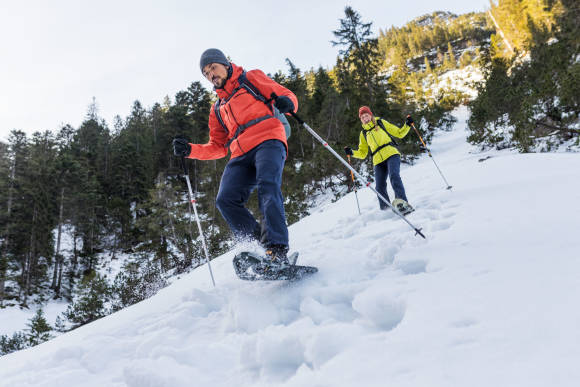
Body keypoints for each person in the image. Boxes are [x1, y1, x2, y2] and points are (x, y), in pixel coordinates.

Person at [172, 48, 298, 267]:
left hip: (268, 138)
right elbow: (218, 147)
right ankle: (262, 249)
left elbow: (288, 96)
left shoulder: (250, 78)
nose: (211, 74)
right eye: (205, 73)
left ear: (225, 64)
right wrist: (190, 150)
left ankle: (277, 250)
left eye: (213, 67)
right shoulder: (217, 109)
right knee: (225, 199)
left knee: (267, 186)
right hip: (240, 152)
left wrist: (288, 103)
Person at [344, 106, 414, 215]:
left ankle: (402, 202)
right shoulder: (363, 133)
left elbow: (399, 133)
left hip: (391, 153)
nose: (365, 118)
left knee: (394, 175)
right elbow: (362, 153)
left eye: (366, 115)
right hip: (377, 160)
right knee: (379, 186)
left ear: (370, 115)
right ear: (361, 120)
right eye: (362, 117)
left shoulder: (380, 122)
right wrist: (352, 153)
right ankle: (386, 210)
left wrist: (407, 125)